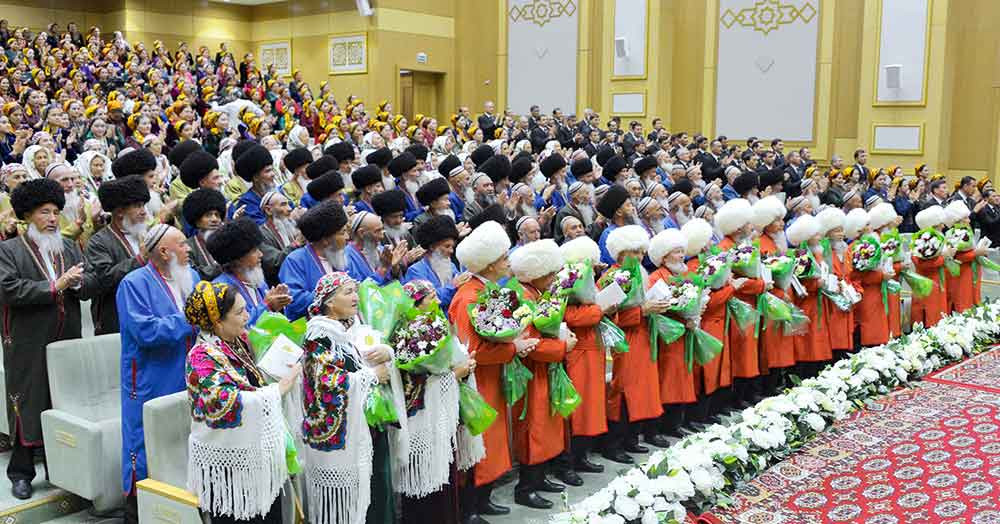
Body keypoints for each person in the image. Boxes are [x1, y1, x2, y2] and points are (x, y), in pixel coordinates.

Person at [0, 178, 96, 499]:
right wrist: (56, 286)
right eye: (45, 212)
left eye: (56, 212)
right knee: (28, 403)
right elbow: (9, 289)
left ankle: (61, 469)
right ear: (28, 215)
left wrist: (80, 284)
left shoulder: (68, 247)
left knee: (64, 402)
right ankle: (22, 473)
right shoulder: (9, 250)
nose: (54, 218)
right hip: (26, 341)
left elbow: (88, 280)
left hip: (65, 340)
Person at [184, 281, 299, 524]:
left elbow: (256, 379)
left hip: (258, 457)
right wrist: (277, 390)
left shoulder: (239, 341)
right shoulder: (200, 355)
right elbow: (222, 403)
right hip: (230, 472)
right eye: (239, 313)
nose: (247, 316)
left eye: (246, 309)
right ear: (217, 322)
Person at [117, 224, 199, 523]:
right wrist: (191, 320)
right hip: (150, 378)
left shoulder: (193, 277)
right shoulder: (133, 283)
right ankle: (136, 513)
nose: (189, 248)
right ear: (164, 251)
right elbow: (146, 331)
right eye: (182, 243)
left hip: (188, 371)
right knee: (144, 444)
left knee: (184, 439)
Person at [299, 273, 398, 524]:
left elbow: (359, 362)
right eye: (347, 292)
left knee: (378, 489)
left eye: (355, 291)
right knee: (351, 501)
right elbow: (327, 384)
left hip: (367, 425)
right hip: (342, 435)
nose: (355, 297)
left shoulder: (347, 329)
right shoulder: (318, 336)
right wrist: (373, 375)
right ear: (330, 302)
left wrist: (385, 353)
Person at [449, 220, 525, 520]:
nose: (509, 262)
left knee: (491, 442)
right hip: (476, 382)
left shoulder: (486, 290)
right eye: (504, 258)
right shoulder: (468, 296)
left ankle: (484, 499)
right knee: (477, 443)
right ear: (491, 264)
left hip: (490, 378)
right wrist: (512, 348)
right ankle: (470, 507)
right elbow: (473, 350)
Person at [506, 239, 576, 508]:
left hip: (543, 369)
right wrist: (562, 346)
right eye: (550, 273)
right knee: (533, 427)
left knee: (547, 423)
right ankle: (526, 487)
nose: (554, 278)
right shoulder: (522, 296)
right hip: (529, 371)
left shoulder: (534, 293)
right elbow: (532, 342)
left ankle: (540, 476)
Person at [601, 225, 670, 465]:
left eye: (642, 252)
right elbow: (608, 316)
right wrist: (642, 310)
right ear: (621, 254)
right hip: (624, 339)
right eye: (635, 252)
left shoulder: (637, 274)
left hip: (641, 336)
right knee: (622, 389)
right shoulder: (612, 277)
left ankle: (631, 437)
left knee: (641, 390)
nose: (640, 257)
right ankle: (613, 443)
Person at [553, 237, 609, 478]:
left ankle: (581, 456)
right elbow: (570, 316)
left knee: (591, 408)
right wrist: (600, 310)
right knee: (575, 409)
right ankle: (567, 463)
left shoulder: (585, 282)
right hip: (576, 350)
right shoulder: (564, 284)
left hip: (592, 348)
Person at [647, 228, 699, 436]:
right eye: (676, 252)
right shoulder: (656, 277)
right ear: (664, 256)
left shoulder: (685, 274)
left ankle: (678, 421)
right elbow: (655, 308)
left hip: (683, 335)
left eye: (681, 251)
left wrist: (694, 315)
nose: (681, 256)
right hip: (666, 338)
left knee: (683, 379)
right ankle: (664, 426)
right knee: (668, 381)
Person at [715, 198, 767, 403]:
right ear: (737, 227)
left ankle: (747, 392)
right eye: (746, 223)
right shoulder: (725, 248)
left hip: (748, 304)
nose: (750, 226)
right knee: (741, 351)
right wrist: (759, 286)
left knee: (748, 350)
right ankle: (739, 396)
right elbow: (732, 281)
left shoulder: (742, 245)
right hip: (736, 305)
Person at [85, 175, 150, 335]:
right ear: (120, 212)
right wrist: (140, 260)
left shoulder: (146, 234)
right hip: (116, 318)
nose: (144, 211)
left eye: (143, 205)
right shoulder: (98, 242)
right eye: (137, 206)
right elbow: (104, 279)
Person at [206, 217, 293, 327]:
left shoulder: (256, 279)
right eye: (254, 251)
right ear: (238, 258)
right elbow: (236, 328)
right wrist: (268, 306)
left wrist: (278, 300)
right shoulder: (221, 289)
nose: (261, 254)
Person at [279, 201, 349, 320]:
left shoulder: (341, 255)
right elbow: (295, 301)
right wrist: (334, 293)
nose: (347, 237)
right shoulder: (295, 261)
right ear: (326, 240)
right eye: (342, 233)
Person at [787, 214, 832, 378]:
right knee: (807, 340)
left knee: (817, 338)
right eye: (815, 234)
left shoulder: (817, 253)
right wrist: (815, 285)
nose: (819, 237)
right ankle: (805, 373)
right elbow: (800, 282)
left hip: (819, 302)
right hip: (807, 303)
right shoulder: (801, 255)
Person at [404, 215, 467, 313]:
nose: (451, 251)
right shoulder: (415, 271)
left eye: (452, 246)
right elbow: (427, 301)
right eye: (447, 246)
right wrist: (453, 286)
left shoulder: (451, 266)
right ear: (432, 246)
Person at [910, 205, 951, 328]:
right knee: (929, 313)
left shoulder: (937, 238)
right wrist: (944, 257)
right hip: (928, 282)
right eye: (940, 224)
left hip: (937, 280)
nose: (943, 226)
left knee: (937, 312)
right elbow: (922, 264)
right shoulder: (921, 240)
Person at [183, 188, 227, 280]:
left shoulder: (227, 242)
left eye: (217, 215)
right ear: (197, 220)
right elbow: (194, 275)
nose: (215, 219)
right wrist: (222, 265)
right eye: (208, 215)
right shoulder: (187, 247)